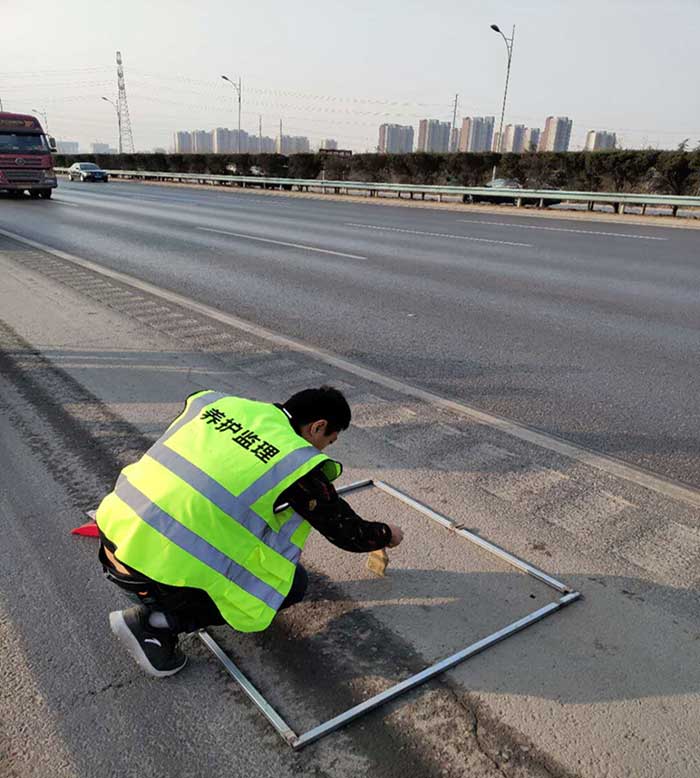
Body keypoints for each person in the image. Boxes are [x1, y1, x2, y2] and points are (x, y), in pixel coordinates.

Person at [96, 385, 403, 678]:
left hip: (114, 534)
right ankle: (157, 623)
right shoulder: (294, 458)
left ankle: (163, 606)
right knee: (293, 584)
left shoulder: (221, 405)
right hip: (150, 574)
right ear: (317, 427)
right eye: (330, 440)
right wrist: (387, 534)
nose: (324, 448)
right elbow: (346, 532)